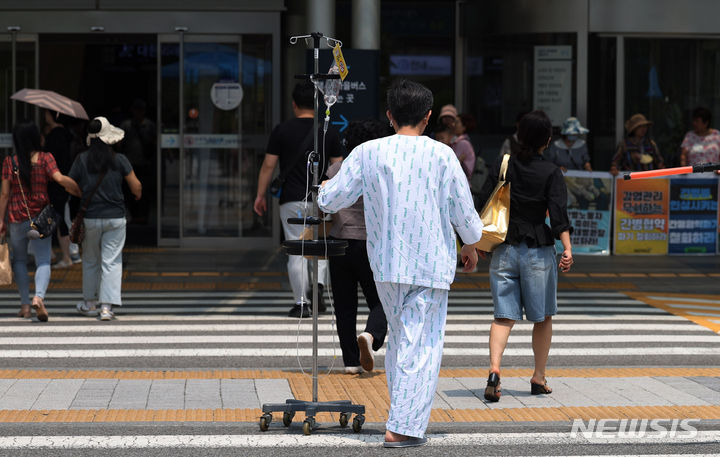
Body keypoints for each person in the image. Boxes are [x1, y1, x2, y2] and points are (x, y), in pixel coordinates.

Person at [318, 79, 483, 448]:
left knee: (402, 342)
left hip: (387, 263)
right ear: (428, 116)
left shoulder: (368, 152)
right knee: (420, 345)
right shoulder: (443, 155)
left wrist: (318, 189)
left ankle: (401, 417)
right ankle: (403, 427)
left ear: (390, 115)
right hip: (431, 264)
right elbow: (465, 214)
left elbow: (332, 198)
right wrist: (471, 244)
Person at [476, 110, 573, 403]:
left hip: (504, 248)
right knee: (542, 317)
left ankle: (494, 371)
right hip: (537, 252)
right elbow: (558, 215)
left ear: (519, 135)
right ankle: (538, 377)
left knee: (503, 316)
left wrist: (476, 241)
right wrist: (567, 249)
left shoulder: (504, 164)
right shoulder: (552, 172)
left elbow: (482, 201)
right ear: (547, 139)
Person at [253, 82, 342, 318]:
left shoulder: (281, 131)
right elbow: (339, 166)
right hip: (323, 198)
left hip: (292, 199)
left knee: (297, 248)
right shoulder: (328, 130)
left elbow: (268, 165)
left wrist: (260, 195)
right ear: (316, 104)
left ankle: (301, 303)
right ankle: (319, 286)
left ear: (294, 104)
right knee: (320, 245)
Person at [326, 119, 391, 375]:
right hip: (371, 244)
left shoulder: (336, 169)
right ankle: (371, 335)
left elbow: (325, 202)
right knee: (382, 300)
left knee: (344, 306)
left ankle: (351, 362)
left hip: (339, 242)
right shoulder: (381, 170)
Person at [0, 121, 80, 321]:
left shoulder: (10, 162)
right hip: (41, 218)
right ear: (36, 137)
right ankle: (39, 297)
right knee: (43, 259)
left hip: (16, 217)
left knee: (19, 260)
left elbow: (4, 194)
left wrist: (0, 220)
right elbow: (60, 179)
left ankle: (25, 306)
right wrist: (77, 189)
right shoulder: (45, 158)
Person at [69, 117, 142, 321]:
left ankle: (89, 303)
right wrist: (137, 195)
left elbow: (70, 183)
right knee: (111, 262)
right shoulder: (119, 159)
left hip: (90, 217)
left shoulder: (81, 159)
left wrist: (80, 194)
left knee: (91, 260)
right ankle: (106, 308)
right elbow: (136, 186)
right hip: (116, 218)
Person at [43, 110, 77, 268]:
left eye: (46, 113)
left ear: (53, 115)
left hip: (55, 183)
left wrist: (44, 142)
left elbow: (48, 158)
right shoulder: (66, 134)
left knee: (57, 219)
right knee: (60, 217)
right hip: (64, 181)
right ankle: (60, 255)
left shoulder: (55, 136)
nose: (44, 116)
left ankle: (65, 257)